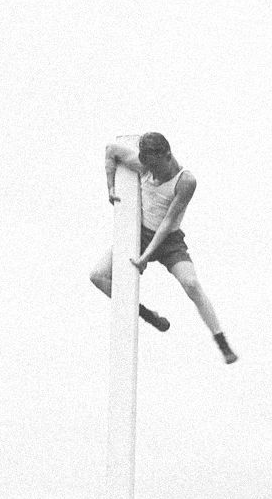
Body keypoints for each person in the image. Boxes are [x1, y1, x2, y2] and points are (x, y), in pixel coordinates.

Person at [91, 131, 238, 364]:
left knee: (191, 283)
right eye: (148, 167)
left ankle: (222, 342)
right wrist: (110, 186)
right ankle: (148, 315)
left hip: (168, 240)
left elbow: (168, 221)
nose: (153, 174)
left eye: (156, 168)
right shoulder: (146, 165)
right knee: (97, 276)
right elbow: (110, 150)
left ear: (168, 156)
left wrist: (146, 256)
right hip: (140, 235)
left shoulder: (185, 181)